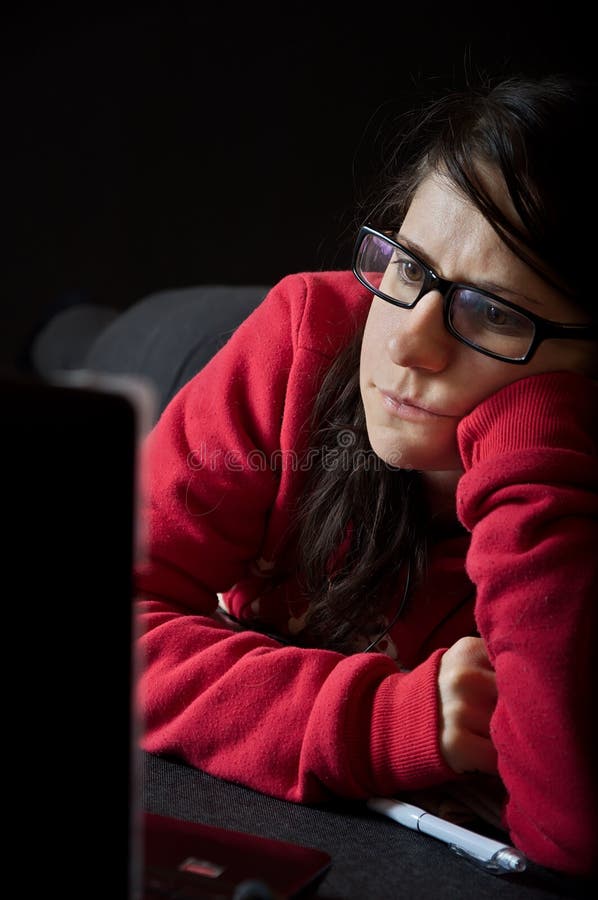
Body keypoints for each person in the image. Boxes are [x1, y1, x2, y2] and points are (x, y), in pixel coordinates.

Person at [134, 72, 598, 878]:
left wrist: (537, 449)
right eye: (410, 265)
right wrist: (385, 721)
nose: (408, 343)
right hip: (220, 360)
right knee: (108, 340)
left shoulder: (569, 490)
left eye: (494, 312)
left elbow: (572, 830)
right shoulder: (308, 336)